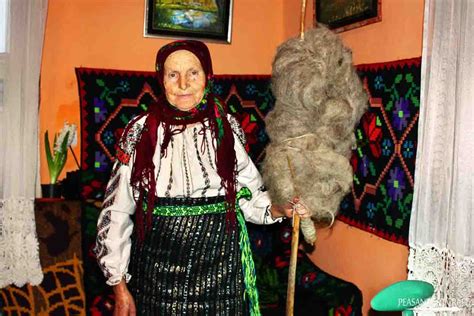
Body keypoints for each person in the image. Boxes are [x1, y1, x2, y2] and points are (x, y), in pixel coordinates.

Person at [94, 40, 309, 316]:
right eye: (173, 75)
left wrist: (280, 207)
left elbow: (249, 198)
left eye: (193, 73)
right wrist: (119, 286)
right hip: (157, 282)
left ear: (207, 76)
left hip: (222, 278)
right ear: (161, 80)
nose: (183, 84)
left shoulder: (225, 128)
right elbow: (116, 214)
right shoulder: (140, 133)